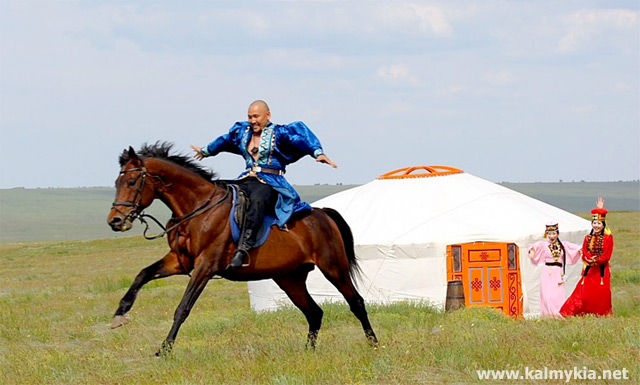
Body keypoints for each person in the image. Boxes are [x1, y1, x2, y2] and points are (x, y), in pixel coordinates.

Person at [190, 100, 337, 269]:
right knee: (221, 191)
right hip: (246, 178)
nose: (253, 120)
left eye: (256, 116)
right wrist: (206, 151)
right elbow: (225, 140)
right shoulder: (242, 132)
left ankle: (244, 247)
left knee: (257, 199)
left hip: (271, 181)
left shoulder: (280, 133)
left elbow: (301, 139)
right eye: (250, 117)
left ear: (268, 115)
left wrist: (317, 152)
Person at [560, 197, 614, 317]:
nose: (596, 225)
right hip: (589, 270)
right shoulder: (587, 238)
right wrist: (588, 259)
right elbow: (585, 251)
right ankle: (574, 313)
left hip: (601, 271)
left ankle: (601, 314)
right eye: (594, 223)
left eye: (599, 223)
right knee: (583, 293)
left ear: (603, 224)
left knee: (600, 294)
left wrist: (597, 260)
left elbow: (606, 255)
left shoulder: (608, 238)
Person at [527, 222, 582, 317]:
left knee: (557, 295)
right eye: (549, 234)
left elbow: (576, 249)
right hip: (547, 272)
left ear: (557, 233)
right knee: (547, 295)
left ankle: (558, 313)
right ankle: (548, 314)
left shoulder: (563, 245)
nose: (551, 236)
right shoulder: (543, 244)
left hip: (558, 272)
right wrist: (532, 252)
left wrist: (580, 251)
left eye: (554, 233)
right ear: (546, 234)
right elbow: (533, 247)